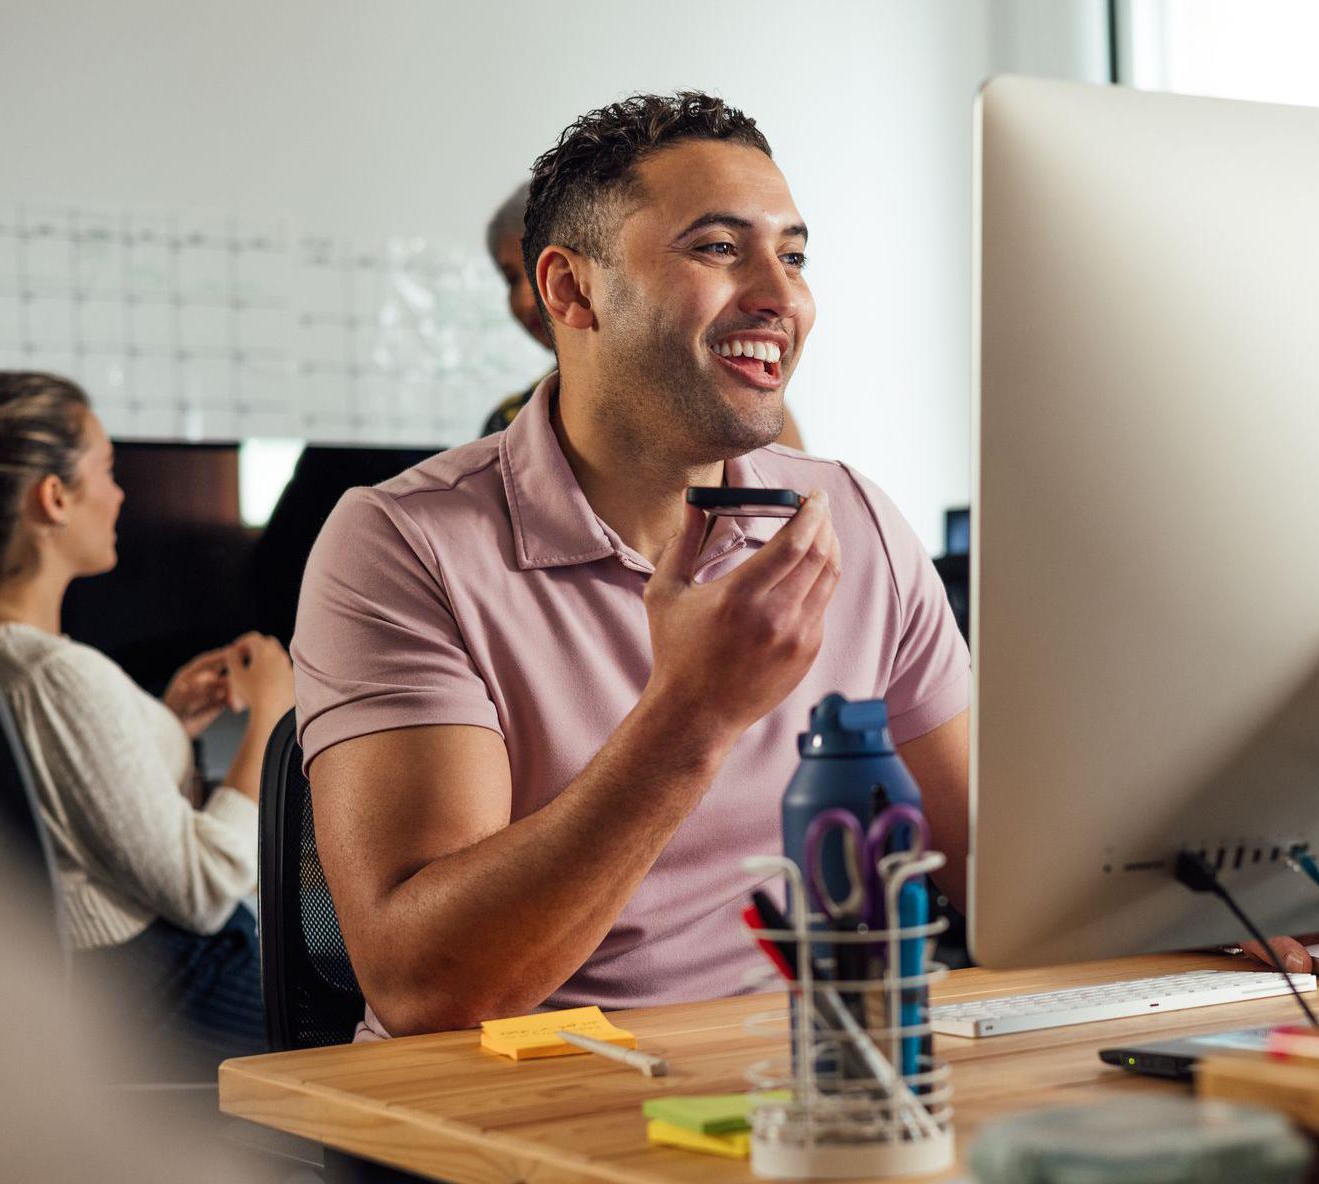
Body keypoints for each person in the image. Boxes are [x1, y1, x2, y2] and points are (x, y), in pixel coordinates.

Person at [295, 92, 965, 1037]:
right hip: (523, 1102)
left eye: (795, 255)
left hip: (806, 1085)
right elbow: (425, 988)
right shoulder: (400, 543)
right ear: (571, 292)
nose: (782, 294)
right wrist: (696, 710)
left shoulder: (851, 517)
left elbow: (992, 869)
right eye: (719, 249)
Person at [0, 370, 294, 1068]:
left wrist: (165, 723)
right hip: (169, 990)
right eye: (107, 470)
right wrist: (270, 723)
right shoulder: (57, 678)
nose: (120, 492)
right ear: (53, 497)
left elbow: (72, 806)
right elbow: (205, 887)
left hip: (115, 982)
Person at [481, 173, 804, 448]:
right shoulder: (507, 423)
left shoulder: (734, 407)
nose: (527, 299)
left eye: (793, 258)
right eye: (512, 278)